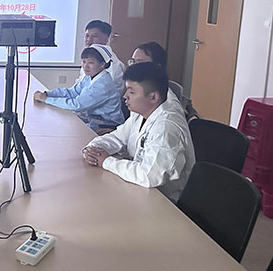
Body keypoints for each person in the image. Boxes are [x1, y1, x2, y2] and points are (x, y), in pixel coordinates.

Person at [82, 62, 196, 202]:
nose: (125, 96)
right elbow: (118, 137)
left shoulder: (166, 127)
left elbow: (149, 176)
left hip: (163, 202)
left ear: (153, 97)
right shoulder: (140, 113)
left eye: (131, 92)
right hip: (138, 190)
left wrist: (106, 161)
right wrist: (93, 149)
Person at [34, 44, 124, 131]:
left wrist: (46, 99)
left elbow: (77, 105)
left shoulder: (103, 85)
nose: (85, 66)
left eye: (91, 62)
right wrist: (48, 94)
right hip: (95, 123)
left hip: (107, 127)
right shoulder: (89, 77)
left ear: (102, 64)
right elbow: (72, 92)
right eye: (84, 62)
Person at [129, 41, 199, 121]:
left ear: (157, 67)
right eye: (132, 61)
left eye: (139, 62)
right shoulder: (136, 90)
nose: (133, 67)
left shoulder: (167, 106)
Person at [79, 20, 125, 93]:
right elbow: (79, 85)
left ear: (106, 39)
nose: (89, 39)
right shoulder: (89, 58)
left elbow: (112, 92)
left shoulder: (112, 64)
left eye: (94, 36)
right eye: (87, 36)